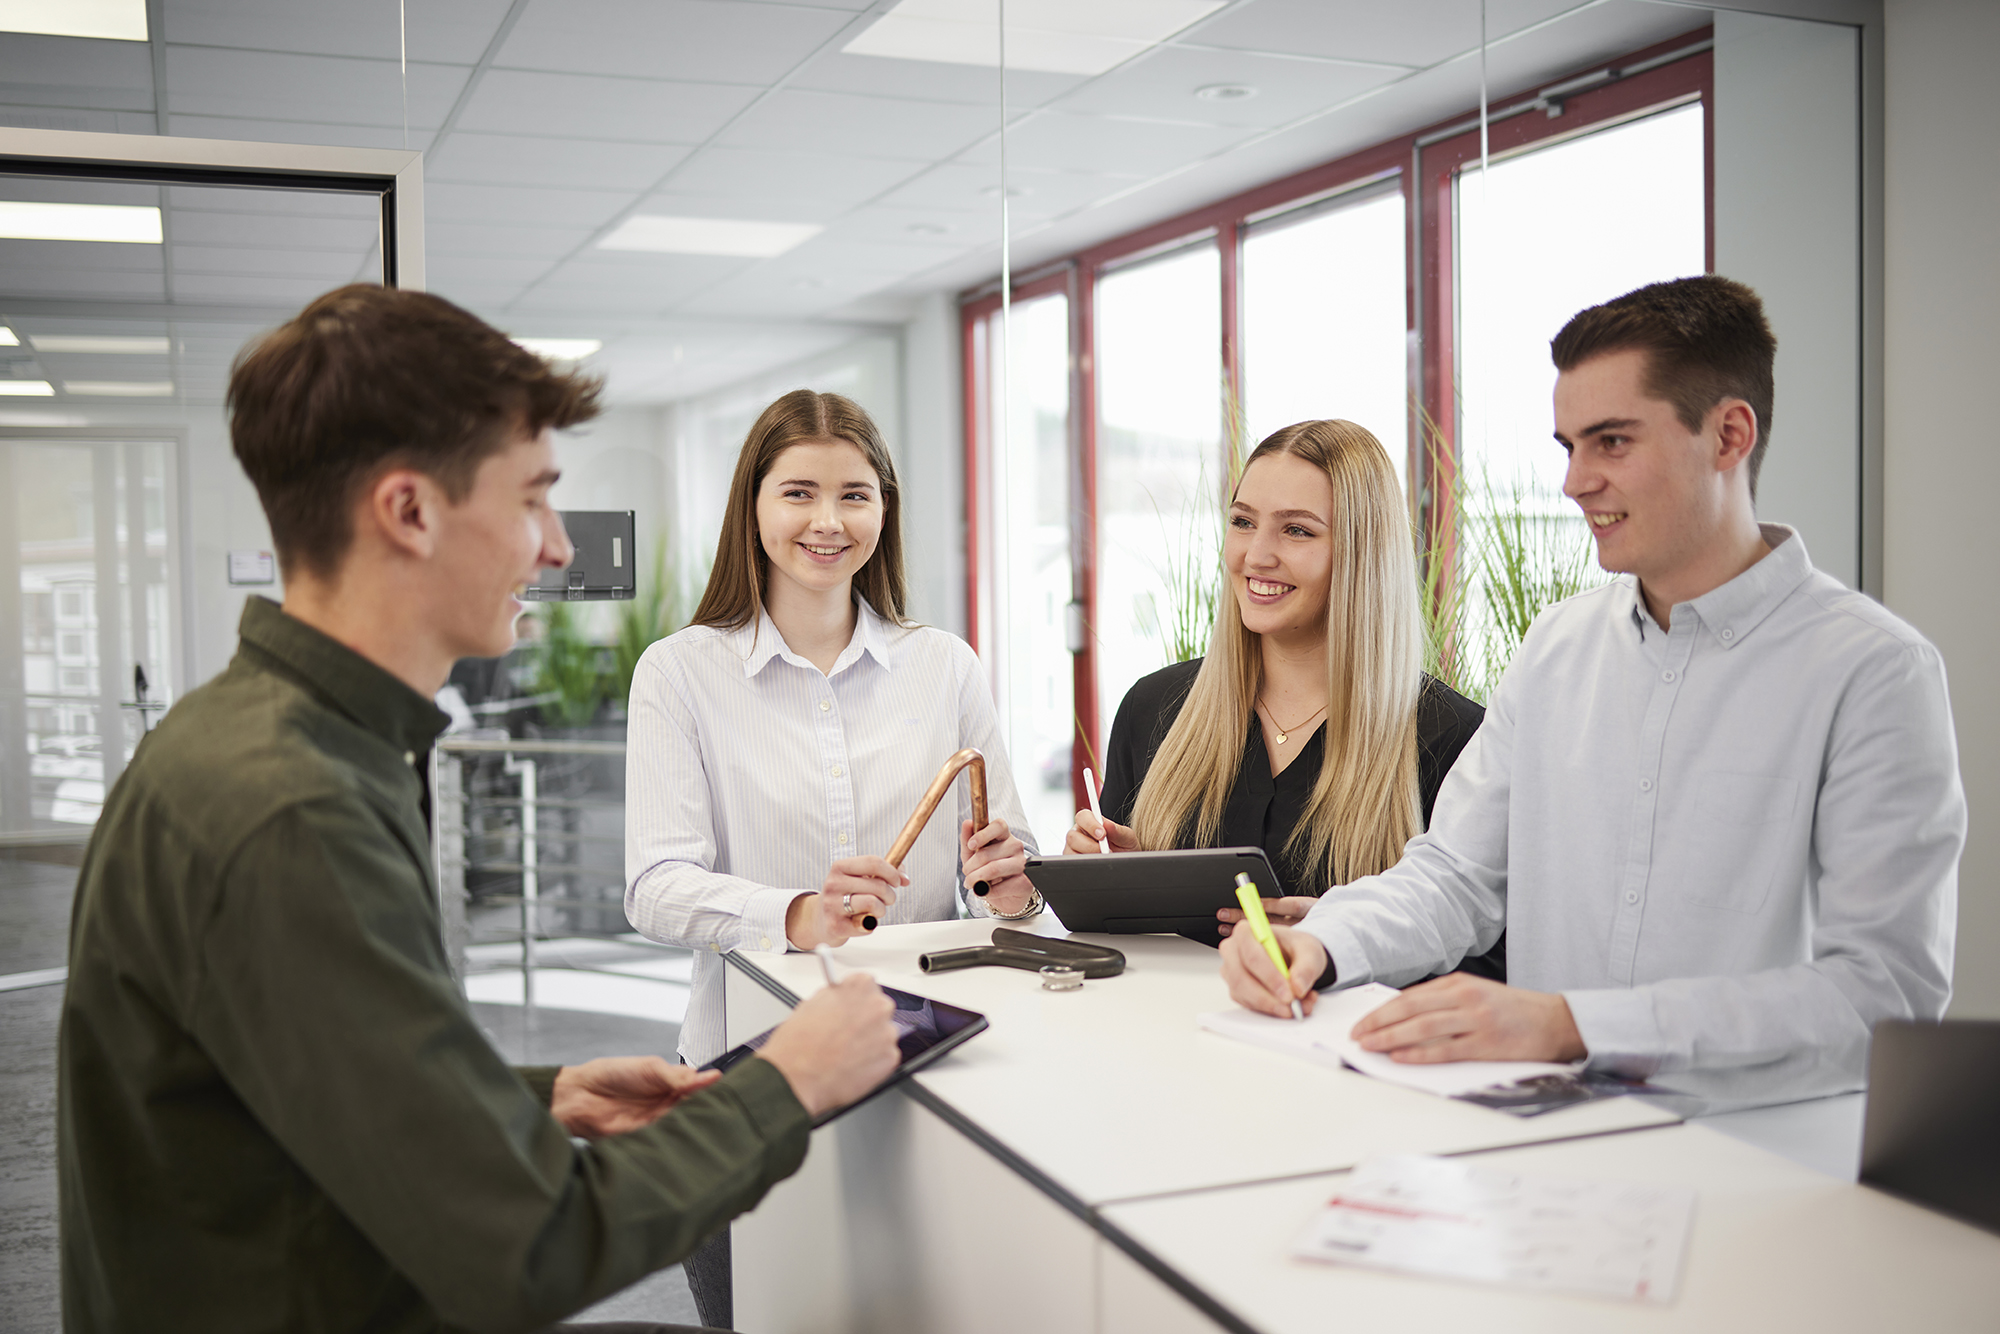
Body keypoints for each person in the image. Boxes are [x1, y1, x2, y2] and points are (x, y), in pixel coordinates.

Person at [57, 285, 906, 1334]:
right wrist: (786, 1081)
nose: (557, 549)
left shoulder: (271, 739)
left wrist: (533, 1095)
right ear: (410, 511)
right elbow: (527, 1246)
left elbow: (311, 1074)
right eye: (533, 500)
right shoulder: (290, 809)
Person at [1222, 276, 1963, 1105]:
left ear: (1729, 436)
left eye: (1611, 443)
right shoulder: (1557, 650)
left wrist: (1578, 1024)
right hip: (1546, 1125)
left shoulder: (1872, 671)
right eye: (1569, 446)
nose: (1575, 481)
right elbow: (1456, 877)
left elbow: (1883, 990)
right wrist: (1325, 943)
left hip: (1758, 1148)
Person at [623, 388, 1039, 1327]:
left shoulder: (945, 666)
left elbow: (1002, 883)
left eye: (855, 495)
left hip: (927, 1056)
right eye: (798, 493)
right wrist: (798, 913)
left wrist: (1013, 886)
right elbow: (655, 887)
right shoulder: (680, 673)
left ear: (884, 509)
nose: (827, 521)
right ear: (753, 506)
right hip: (745, 1072)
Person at [1066, 420, 1488, 956]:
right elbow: (1110, 946)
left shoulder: (1454, 739)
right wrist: (1111, 885)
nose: (1256, 555)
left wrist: (1349, 937)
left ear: (1363, 553)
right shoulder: (1153, 710)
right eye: (1243, 522)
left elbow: (1491, 960)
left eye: (1297, 531)